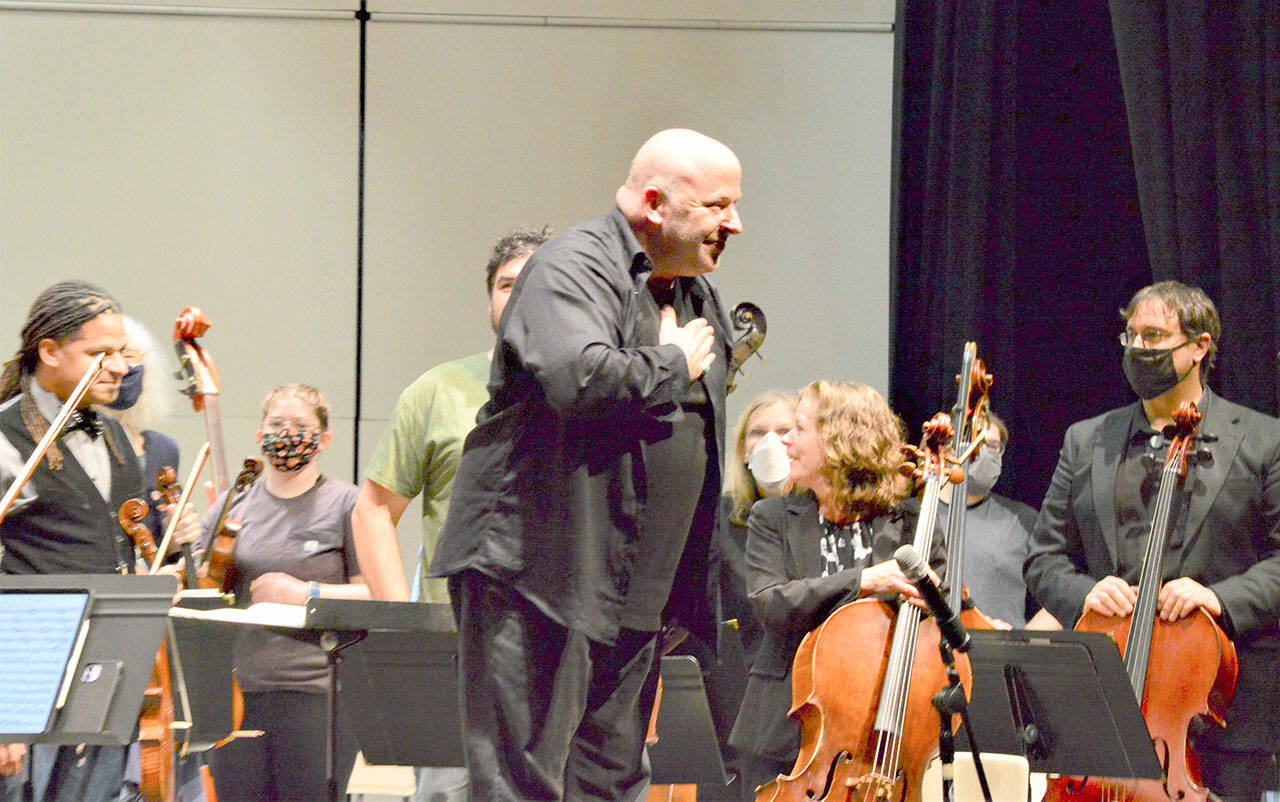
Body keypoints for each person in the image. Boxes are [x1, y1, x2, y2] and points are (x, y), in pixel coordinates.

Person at [363, 128, 742, 801]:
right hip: (540, 576)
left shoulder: (692, 291)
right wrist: (672, 363)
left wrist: (681, 580)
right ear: (655, 203)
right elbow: (579, 378)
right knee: (521, 783)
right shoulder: (572, 266)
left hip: (630, 591)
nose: (733, 223)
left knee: (611, 779)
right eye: (717, 206)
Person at [1024, 280, 1280, 800]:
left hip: (1221, 707)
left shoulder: (1263, 441)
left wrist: (1219, 598)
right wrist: (1084, 595)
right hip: (1106, 692)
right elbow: (1045, 557)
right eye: (1131, 337)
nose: (1139, 350)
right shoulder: (1086, 439)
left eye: (1154, 337)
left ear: (1199, 347)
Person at [351, 224, 551, 801]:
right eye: (506, 284)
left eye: (536, 282)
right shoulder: (436, 390)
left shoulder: (594, 389)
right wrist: (405, 626)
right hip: (455, 654)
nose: (518, 296)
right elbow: (373, 510)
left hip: (557, 656)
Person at [0, 281, 198, 802]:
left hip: (106, 671)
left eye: (119, 353)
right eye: (99, 353)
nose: (118, 366)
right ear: (48, 352)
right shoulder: (4, 440)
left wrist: (161, 564)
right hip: (28, 677)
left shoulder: (114, 435)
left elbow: (122, 544)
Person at [727, 380, 945, 797]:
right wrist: (862, 581)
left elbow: (937, 626)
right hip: (782, 729)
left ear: (841, 442)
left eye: (799, 429)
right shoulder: (772, 517)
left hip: (879, 728)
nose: (785, 441)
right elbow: (771, 603)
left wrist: (934, 597)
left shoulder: (911, 523)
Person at [200, 383, 369, 802]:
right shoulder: (231, 504)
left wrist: (305, 593)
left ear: (324, 439)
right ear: (259, 435)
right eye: (276, 424)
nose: (287, 433)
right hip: (239, 692)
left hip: (316, 692)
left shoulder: (347, 503)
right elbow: (199, 583)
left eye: (300, 425)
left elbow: (375, 595)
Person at [935, 410, 1056, 629]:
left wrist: (1020, 643)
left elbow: (1060, 597)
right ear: (947, 449)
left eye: (994, 447)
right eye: (979, 442)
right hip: (929, 656)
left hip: (1001, 657)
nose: (987, 453)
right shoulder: (918, 517)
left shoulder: (1023, 520)